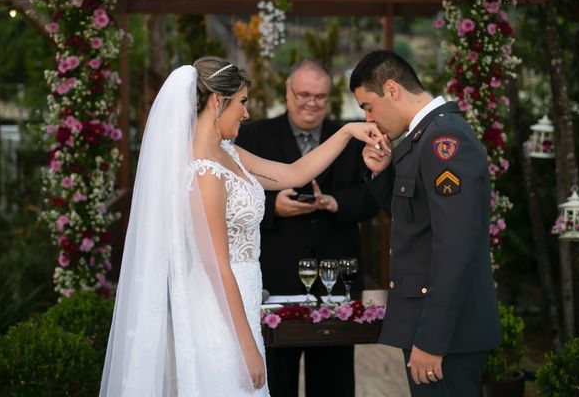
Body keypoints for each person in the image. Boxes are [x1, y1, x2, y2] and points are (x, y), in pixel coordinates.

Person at [99, 57, 389, 396]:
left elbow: (294, 174)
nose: (246, 113)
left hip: (245, 298)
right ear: (217, 102)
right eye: (242, 102)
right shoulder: (205, 172)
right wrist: (248, 345)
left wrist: (346, 132)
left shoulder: (229, 153)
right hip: (218, 307)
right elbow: (216, 264)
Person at [349, 50, 502, 397]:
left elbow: (455, 247)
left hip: (446, 333)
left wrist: (431, 340)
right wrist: (381, 173)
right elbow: (414, 222)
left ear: (391, 89)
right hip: (435, 325)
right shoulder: (421, 139)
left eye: (367, 106)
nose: (369, 119)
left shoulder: (442, 140)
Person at [235, 60, 380, 397]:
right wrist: (275, 208)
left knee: (334, 381)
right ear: (287, 93)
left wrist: (336, 203)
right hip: (277, 277)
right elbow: (236, 197)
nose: (310, 102)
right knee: (277, 380)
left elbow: (373, 198)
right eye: (303, 94)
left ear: (329, 99)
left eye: (319, 96)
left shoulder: (353, 137)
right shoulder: (254, 135)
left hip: (336, 281)